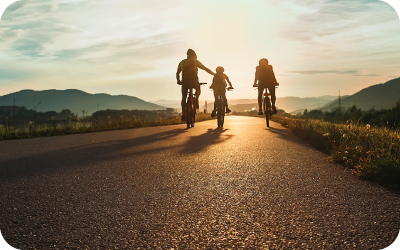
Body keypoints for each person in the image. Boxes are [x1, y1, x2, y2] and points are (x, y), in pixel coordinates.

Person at [176, 49, 215, 121]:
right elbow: (205, 68)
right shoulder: (195, 61)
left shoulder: (182, 62)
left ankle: (183, 114)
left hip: (185, 82)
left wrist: (178, 80)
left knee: (184, 97)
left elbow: (177, 73)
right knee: (198, 89)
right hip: (194, 81)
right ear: (194, 55)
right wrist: (214, 74)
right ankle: (196, 99)